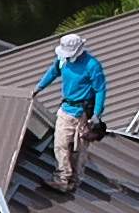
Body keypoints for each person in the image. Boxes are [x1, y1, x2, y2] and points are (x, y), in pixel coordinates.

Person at [38, 31, 106, 191]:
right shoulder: (62, 60)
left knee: (78, 149)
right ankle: (62, 178)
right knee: (60, 144)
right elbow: (53, 72)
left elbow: (100, 90)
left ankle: (74, 181)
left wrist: (96, 114)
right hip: (66, 110)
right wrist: (38, 87)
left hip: (83, 113)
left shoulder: (92, 65)